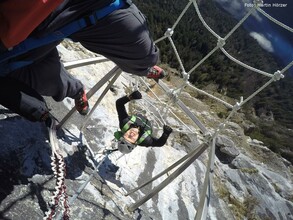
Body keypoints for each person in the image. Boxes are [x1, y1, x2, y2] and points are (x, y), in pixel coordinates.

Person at [0, 0, 167, 124]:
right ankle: (76, 90)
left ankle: (144, 68)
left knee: (144, 55)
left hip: (94, 5)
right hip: (38, 23)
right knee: (27, 71)